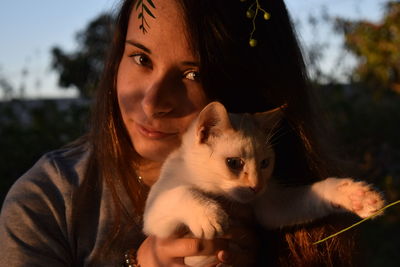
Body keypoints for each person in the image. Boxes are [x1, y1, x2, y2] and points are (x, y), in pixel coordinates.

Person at [0, 0, 357, 266]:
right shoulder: (46, 202)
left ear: (247, 83)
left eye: (193, 74)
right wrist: (139, 263)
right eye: (141, 58)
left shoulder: (273, 190)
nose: (153, 102)